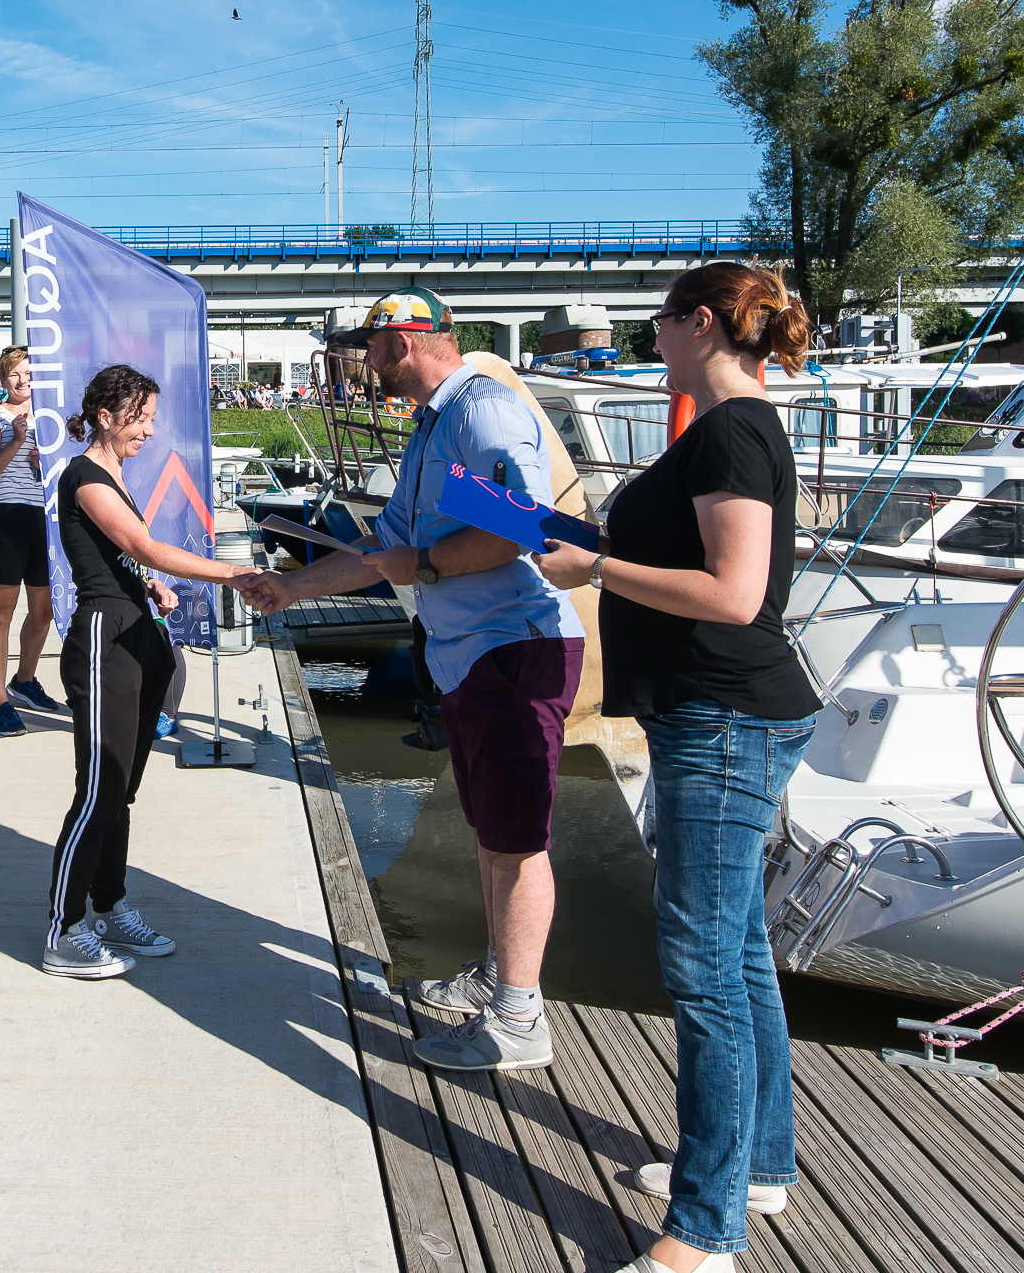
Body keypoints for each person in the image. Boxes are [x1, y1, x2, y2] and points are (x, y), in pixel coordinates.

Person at [531, 262, 820, 1273]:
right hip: (723, 715)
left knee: (701, 969)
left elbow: (734, 595)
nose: (651, 339)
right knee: (738, 957)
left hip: (724, 718)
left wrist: (598, 567)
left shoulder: (731, 431)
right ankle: (755, 1168)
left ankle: (701, 1234)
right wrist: (589, 543)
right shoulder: (726, 429)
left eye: (657, 323)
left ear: (697, 323)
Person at [244, 287, 583, 1071]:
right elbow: (385, 544)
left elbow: (523, 526)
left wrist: (425, 565)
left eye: (369, 346)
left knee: (517, 840)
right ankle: (502, 976)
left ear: (403, 342)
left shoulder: (480, 412)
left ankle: (521, 1020)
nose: (364, 362)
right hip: (472, 653)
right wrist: (290, 588)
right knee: (493, 833)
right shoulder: (435, 425)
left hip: (515, 649)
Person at [43, 363, 265, 980]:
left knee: (124, 789)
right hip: (103, 638)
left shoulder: (114, 476)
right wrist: (233, 573)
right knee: (98, 790)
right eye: (140, 418)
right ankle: (62, 931)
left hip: (138, 631)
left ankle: (109, 906)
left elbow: (127, 557)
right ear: (106, 417)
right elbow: (138, 544)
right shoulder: (85, 475)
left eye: (151, 417)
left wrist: (154, 586)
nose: (150, 429)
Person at [0, 346, 64, 734]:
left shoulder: (53, 417)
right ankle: (0, 702)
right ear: (2, 379)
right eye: (14, 375)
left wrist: (52, 463)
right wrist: (15, 442)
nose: (23, 380)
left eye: (28, 373)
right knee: (2, 613)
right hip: (7, 518)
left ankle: (24, 680)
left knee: (44, 610)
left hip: (43, 520)